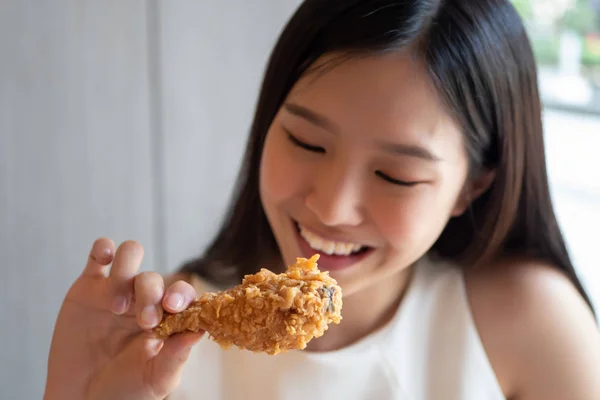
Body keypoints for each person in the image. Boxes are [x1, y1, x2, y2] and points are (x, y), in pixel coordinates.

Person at [43, 1, 600, 399]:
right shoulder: (167, 339)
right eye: (306, 141)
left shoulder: (528, 324)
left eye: (396, 175)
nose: (331, 207)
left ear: (473, 185)